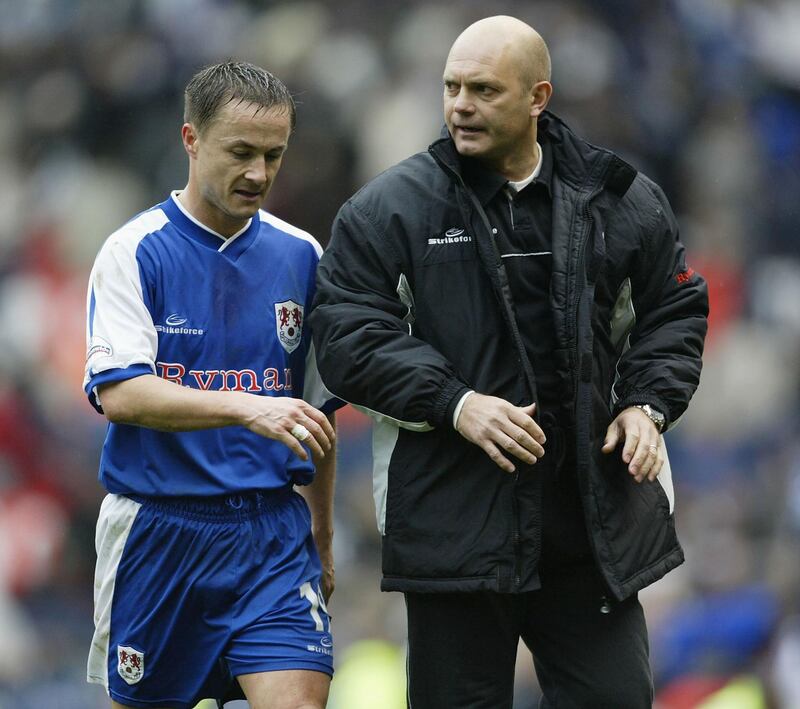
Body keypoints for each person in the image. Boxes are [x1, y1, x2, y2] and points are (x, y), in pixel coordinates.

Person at [310, 15, 708, 709]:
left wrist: (648, 405)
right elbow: (344, 336)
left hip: (591, 532)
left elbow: (673, 312)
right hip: (456, 534)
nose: (460, 104)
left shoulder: (622, 199)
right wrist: (455, 402)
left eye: (483, 89)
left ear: (538, 97)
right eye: (452, 87)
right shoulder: (388, 211)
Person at [83, 61, 339, 709]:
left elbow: (314, 418)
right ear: (191, 139)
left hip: (271, 536)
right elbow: (121, 393)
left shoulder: (302, 256)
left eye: (273, 154)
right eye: (241, 152)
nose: (258, 172)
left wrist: (323, 535)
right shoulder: (133, 250)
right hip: (159, 532)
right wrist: (245, 408)